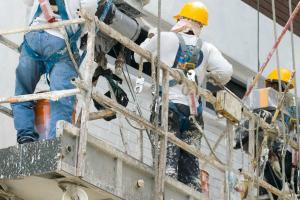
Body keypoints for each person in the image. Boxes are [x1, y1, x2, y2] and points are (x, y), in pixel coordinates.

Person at [135, 1, 233, 191]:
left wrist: (157, 36)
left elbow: (138, 57)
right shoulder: (208, 48)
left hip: (167, 107)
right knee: (190, 171)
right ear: (200, 26)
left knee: (167, 164)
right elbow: (226, 73)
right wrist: (209, 74)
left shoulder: (165, 37)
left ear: (182, 19)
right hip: (193, 114)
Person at [12, 0, 99, 144]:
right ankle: (56, 141)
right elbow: (89, 7)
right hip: (60, 38)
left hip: (33, 37)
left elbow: (27, 2)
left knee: (23, 92)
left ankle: (25, 135)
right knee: (61, 95)